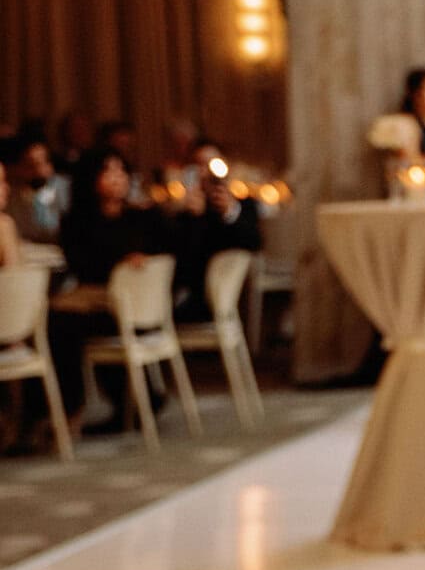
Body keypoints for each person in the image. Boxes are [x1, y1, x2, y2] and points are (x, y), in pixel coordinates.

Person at [49, 148, 173, 434]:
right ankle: (130, 404)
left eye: (121, 171)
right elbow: (83, 265)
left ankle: (67, 410)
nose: (117, 178)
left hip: (137, 309)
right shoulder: (77, 222)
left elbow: (171, 248)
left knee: (59, 327)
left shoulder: (144, 216)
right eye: (108, 172)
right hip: (103, 306)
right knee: (59, 324)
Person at [170, 142, 263, 322]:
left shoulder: (243, 206)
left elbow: (254, 242)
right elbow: (183, 262)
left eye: (213, 163)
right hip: (195, 296)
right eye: (201, 165)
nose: (207, 171)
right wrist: (194, 218)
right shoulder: (188, 213)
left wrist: (229, 212)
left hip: (235, 301)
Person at [4, 138, 68, 245]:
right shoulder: (13, 195)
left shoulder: (64, 188)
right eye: (30, 165)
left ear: (50, 165)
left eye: (41, 163)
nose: (37, 170)